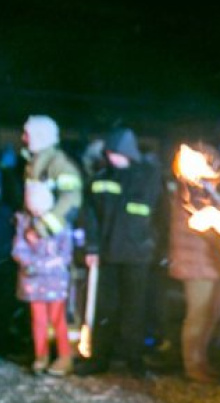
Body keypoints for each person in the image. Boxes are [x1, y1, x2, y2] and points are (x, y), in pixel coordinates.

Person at [75, 127, 160, 377]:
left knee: (135, 309)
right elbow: (89, 216)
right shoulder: (101, 178)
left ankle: (134, 359)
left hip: (138, 256)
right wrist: (92, 247)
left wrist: (156, 245)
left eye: (114, 152)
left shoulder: (148, 177)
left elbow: (159, 216)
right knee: (105, 309)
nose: (110, 157)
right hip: (108, 255)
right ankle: (99, 358)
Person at [167, 144, 220, 383]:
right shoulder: (191, 191)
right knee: (198, 315)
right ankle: (193, 366)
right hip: (195, 262)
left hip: (211, 262)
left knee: (214, 312)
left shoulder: (206, 189)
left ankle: (202, 360)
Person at [12, 182, 73, 376]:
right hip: (34, 281)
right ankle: (41, 355)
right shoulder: (24, 223)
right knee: (38, 319)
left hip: (55, 280)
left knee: (58, 318)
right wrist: (34, 264)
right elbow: (19, 249)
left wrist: (52, 263)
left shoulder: (60, 223)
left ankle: (64, 356)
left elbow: (65, 252)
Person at [22, 116, 83, 239]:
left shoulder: (61, 165)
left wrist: (42, 229)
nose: (23, 138)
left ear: (40, 136)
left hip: (53, 237)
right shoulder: (33, 164)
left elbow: (70, 202)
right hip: (33, 232)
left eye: (27, 134)